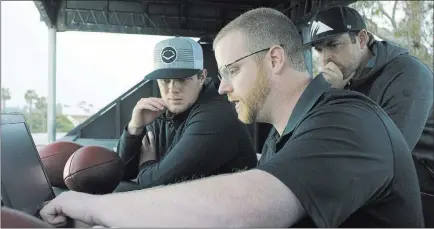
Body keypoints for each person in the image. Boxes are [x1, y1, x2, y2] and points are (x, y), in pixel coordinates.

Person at [39, 8, 424, 228]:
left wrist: (93, 207)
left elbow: (250, 205)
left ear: (273, 59)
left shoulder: (347, 120)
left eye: (232, 71)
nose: (222, 88)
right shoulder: (283, 134)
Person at [304, 6, 434, 194]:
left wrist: (338, 98)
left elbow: (387, 156)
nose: (325, 59)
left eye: (333, 45)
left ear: (362, 39)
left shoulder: (408, 75)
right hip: (381, 184)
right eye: (319, 50)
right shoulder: (344, 78)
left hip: (424, 187)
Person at [116, 36, 258, 189]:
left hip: (233, 208)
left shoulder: (217, 115)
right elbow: (121, 174)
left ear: (202, 77)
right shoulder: (159, 114)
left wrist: (146, 164)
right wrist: (134, 129)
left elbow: (155, 184)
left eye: (183, 79)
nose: (172, 89)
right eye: (165, 80)